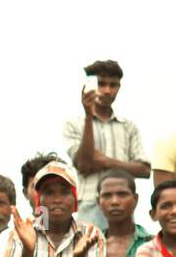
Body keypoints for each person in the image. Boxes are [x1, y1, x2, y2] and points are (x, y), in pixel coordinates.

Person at [63, 60, 150, 229]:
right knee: (90, 250)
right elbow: (84, 164)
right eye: (101, 84)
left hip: (123, 201)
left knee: (122, 249)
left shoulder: (128, 126)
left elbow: (145, 170)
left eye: (113, 85)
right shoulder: (74, 124)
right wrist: (88, 116)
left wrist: (106, 162)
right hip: (89, 201)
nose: (107, 91)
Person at [98, 170, 150, 257]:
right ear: (98, 202)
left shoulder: (154, 245)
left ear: (135, 199)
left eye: (122, 194)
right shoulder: (90, 249)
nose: (115, 201)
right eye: (107, 195)